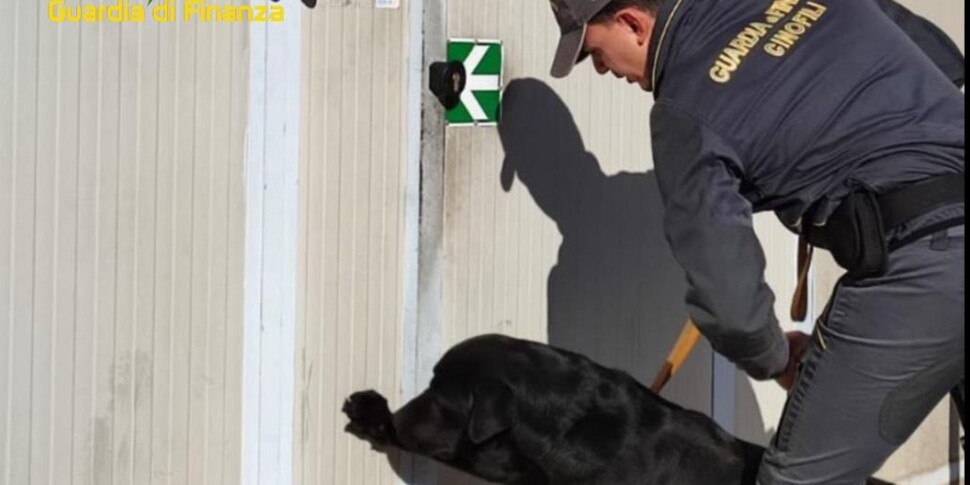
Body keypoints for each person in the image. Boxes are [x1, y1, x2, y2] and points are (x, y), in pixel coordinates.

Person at [546, 0, 965, 483]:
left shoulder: (683, 109)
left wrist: (779, 359)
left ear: (632, 24)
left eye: (595, 53)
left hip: (924, 271)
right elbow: (942, 60)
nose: (600, 70)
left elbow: (731, 307)